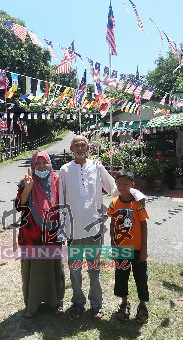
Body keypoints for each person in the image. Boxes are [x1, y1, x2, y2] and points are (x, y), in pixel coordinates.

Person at [58, 135, 145, 320]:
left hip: (95, 229)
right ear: (71, 148)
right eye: (77, 145)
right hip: (73, 230)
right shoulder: (65, 170)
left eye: (84, 145)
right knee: (74, 270)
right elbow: (60, 200)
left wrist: (136, 194)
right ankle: (78, 303)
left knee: (94, 270)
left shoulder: (97, 167)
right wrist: (62, 228)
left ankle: (96, 305)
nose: (80, 148)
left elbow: (115, 189)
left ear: (88, 148)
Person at [15, 151, 65, 318]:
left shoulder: (57, 180)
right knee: (33, 270)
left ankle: (56, 302)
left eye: (45, 163)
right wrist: (27, 189)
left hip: (52, 233)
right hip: (32, 233)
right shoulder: (26, 181)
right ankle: (32, 304)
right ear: (33, 165)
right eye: (38, 164)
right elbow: (19, 206)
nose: (42, 167)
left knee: (54, 268)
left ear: (50, 164)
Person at [107, 169, 149, 325]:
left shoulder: (138, 203)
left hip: (137, 249)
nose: (122, 187)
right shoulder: (113, 203)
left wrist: (144, 249)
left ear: (132, 185)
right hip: (121, 249)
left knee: (141, 278)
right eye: (119, 184)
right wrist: (113, 243)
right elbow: (112, 224)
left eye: (126, 184)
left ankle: (142, 305)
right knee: (121, 277)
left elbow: (144, 224)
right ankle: (124, 303)